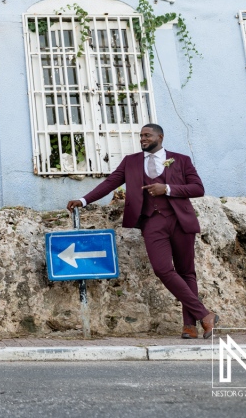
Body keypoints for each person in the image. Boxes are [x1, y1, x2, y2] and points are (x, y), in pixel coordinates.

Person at [67, 124, 218, 339]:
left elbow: (197, 189)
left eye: (147, 135)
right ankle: (205, 314)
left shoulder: (180, 159)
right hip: (152, 222)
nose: (143, 139)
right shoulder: (131, 161)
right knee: (163, 269)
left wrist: (167, 189)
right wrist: (83, 200)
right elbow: (110, 183)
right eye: (141, 136)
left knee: (186, 272)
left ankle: (190, 326)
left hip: (180, 221)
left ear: (160, 137)